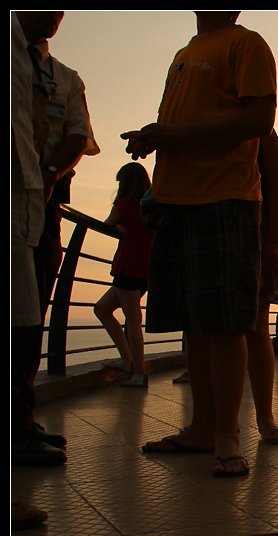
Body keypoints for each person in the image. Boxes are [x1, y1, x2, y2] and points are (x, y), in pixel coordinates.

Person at [125, 11, 277, 478]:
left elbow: (259, 117)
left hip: (223, 196)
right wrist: (156, 137)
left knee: (226, 322)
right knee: (194, 319)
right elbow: (184, 122)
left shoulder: (247, 44)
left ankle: (228, 434)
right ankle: (202, 425)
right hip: (176, 200)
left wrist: (172, 134)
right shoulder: (184, 55)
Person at [13, 11, 99, 468]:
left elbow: (78, 137)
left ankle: (20, 420)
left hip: (41, 203)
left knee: (32, 313)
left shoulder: (64, 78)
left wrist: (47, 175)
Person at [94, 163, 154, 387]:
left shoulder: (124, 205)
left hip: (127, 267)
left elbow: (106, 225)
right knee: (102, 308)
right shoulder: (150, 205)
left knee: (132, 320)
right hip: (145, 269)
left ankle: (138, 373)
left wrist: (117, 227)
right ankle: (127, 361)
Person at [248, 130, 278, 444]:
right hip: (243, 231)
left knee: (256, 327)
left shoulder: (263, 132)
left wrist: (272, 239)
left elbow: (276, 188)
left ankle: (265, 416)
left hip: (255, 234)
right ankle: (217, 420)